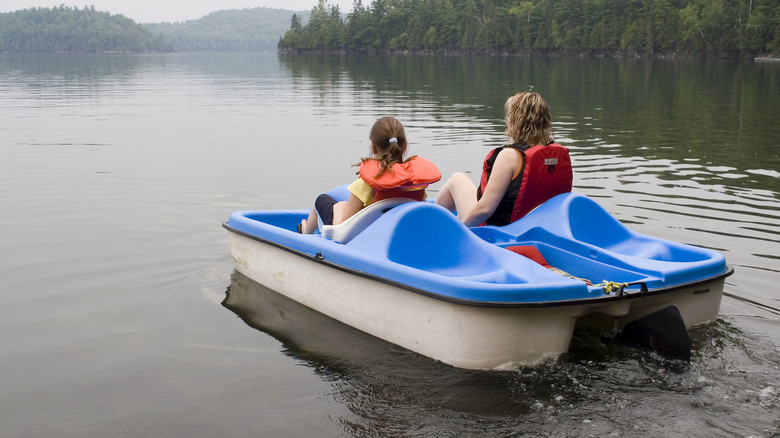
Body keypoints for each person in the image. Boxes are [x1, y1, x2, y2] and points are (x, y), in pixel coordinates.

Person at [435, 92, 572, 227]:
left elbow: (485, 209)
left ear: (514, 122)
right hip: (533, 226)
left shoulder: (510, 156)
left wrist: (461, 231)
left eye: (508, 116)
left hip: (500, 229)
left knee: (456, 179)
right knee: (459, 215)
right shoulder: (555, 156)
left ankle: (428, 225)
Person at [299, 116, 441, 234]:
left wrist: (339, 209)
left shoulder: (365, 184)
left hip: (366, 236)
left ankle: (305, 234)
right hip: (397, 233)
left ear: (372, 146)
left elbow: (340, 230)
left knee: (321, 199)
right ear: (404, 146)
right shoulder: (416, 183)